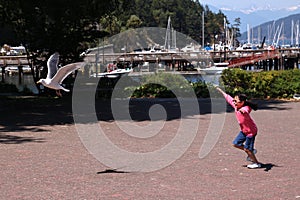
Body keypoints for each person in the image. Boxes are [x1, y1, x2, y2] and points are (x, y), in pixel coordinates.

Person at [215, 86, 261, 169]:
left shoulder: (246, 108)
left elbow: (246, 110)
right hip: (244, 131)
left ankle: (256, 163)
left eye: (236, 101)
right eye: (234, 101)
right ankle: (251, 151)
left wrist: (243, 111)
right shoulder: (236, 106)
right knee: (236, 144)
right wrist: (220, 91)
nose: (234, 102)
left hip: (251, 131)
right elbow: (228, 98)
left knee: (247, 149)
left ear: (242, 102)